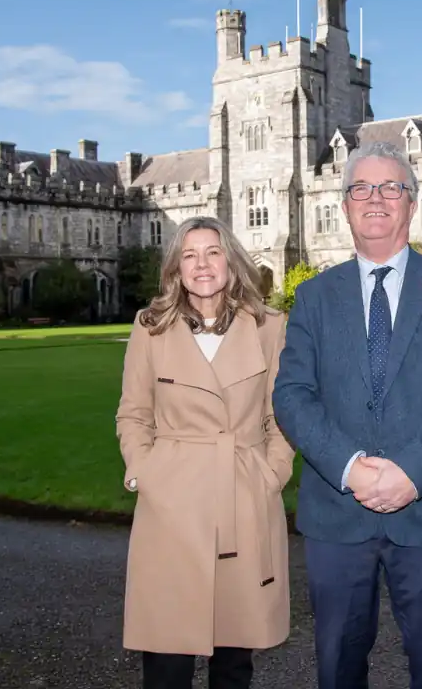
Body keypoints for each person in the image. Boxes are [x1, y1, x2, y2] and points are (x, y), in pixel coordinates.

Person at [272, 140, 422, 689]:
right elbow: (292, 394)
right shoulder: (314, 297)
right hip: (337, 516)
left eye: (391, 187)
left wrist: (410, 472)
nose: (376, 199)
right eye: (361, 189)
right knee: (338, 667)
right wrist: (350, 469)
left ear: (412, 203)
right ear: (345, 204)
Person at [115, 215, 295, 689]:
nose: (202, 264)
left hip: (243, 494)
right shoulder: (150, 327)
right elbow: (133, 414)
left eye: (212, 252)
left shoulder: (269, 327)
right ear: (175, 269)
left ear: (232, 263)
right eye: (189, 255)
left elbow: (282, 416)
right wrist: (144, 472)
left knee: (234, 659)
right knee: (166, 660)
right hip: (172, 504)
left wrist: (271, 474)